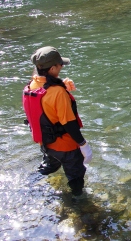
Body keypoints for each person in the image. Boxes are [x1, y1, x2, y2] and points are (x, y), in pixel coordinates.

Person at [22, 46, 92, 196]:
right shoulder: (58, 92)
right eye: (60, 64)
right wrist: (84, 145)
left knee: (50, 165)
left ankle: (32, 184)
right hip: (66, 147)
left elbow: (44, 104)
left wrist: (61, 85)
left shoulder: (31, 85)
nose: (62, 66)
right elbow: (68, 123)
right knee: (76, 175)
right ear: (53, 68)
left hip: (45, 143)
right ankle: (78, 201)